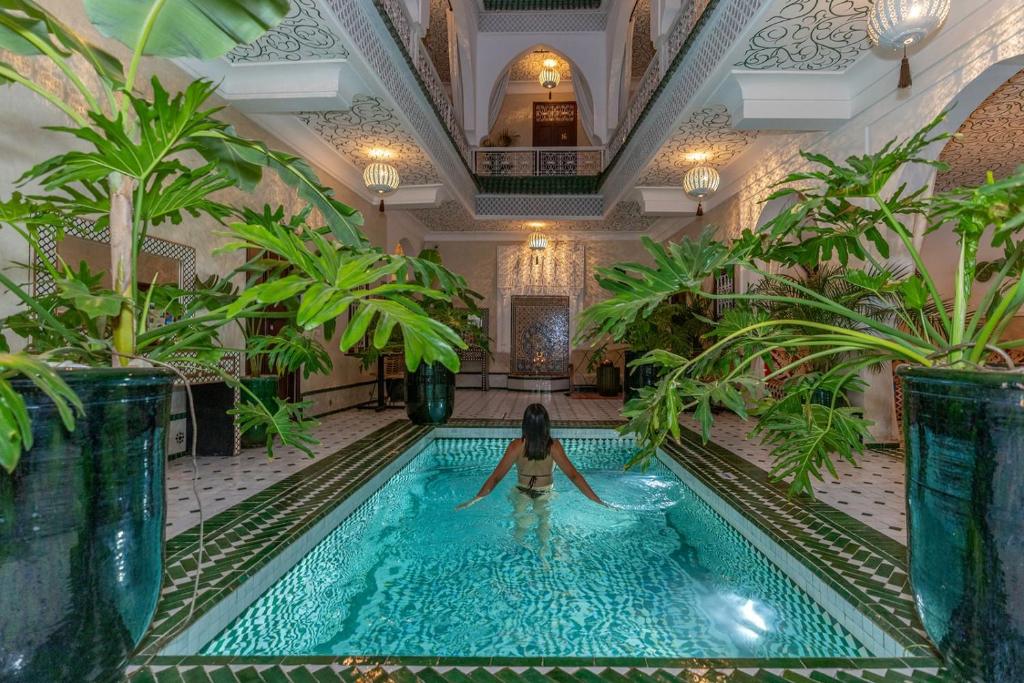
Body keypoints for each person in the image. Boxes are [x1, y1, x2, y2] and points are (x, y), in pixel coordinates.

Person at [455, 403, 607, 510]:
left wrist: (474, 500)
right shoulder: (554, 446)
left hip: (522, 492)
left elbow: (495, 478)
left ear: (525, 424)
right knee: (544, 529)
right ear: (546, 424)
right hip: (545, 493)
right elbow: (574, 476)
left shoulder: (516, 446)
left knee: (520, 529)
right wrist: (598, 502)